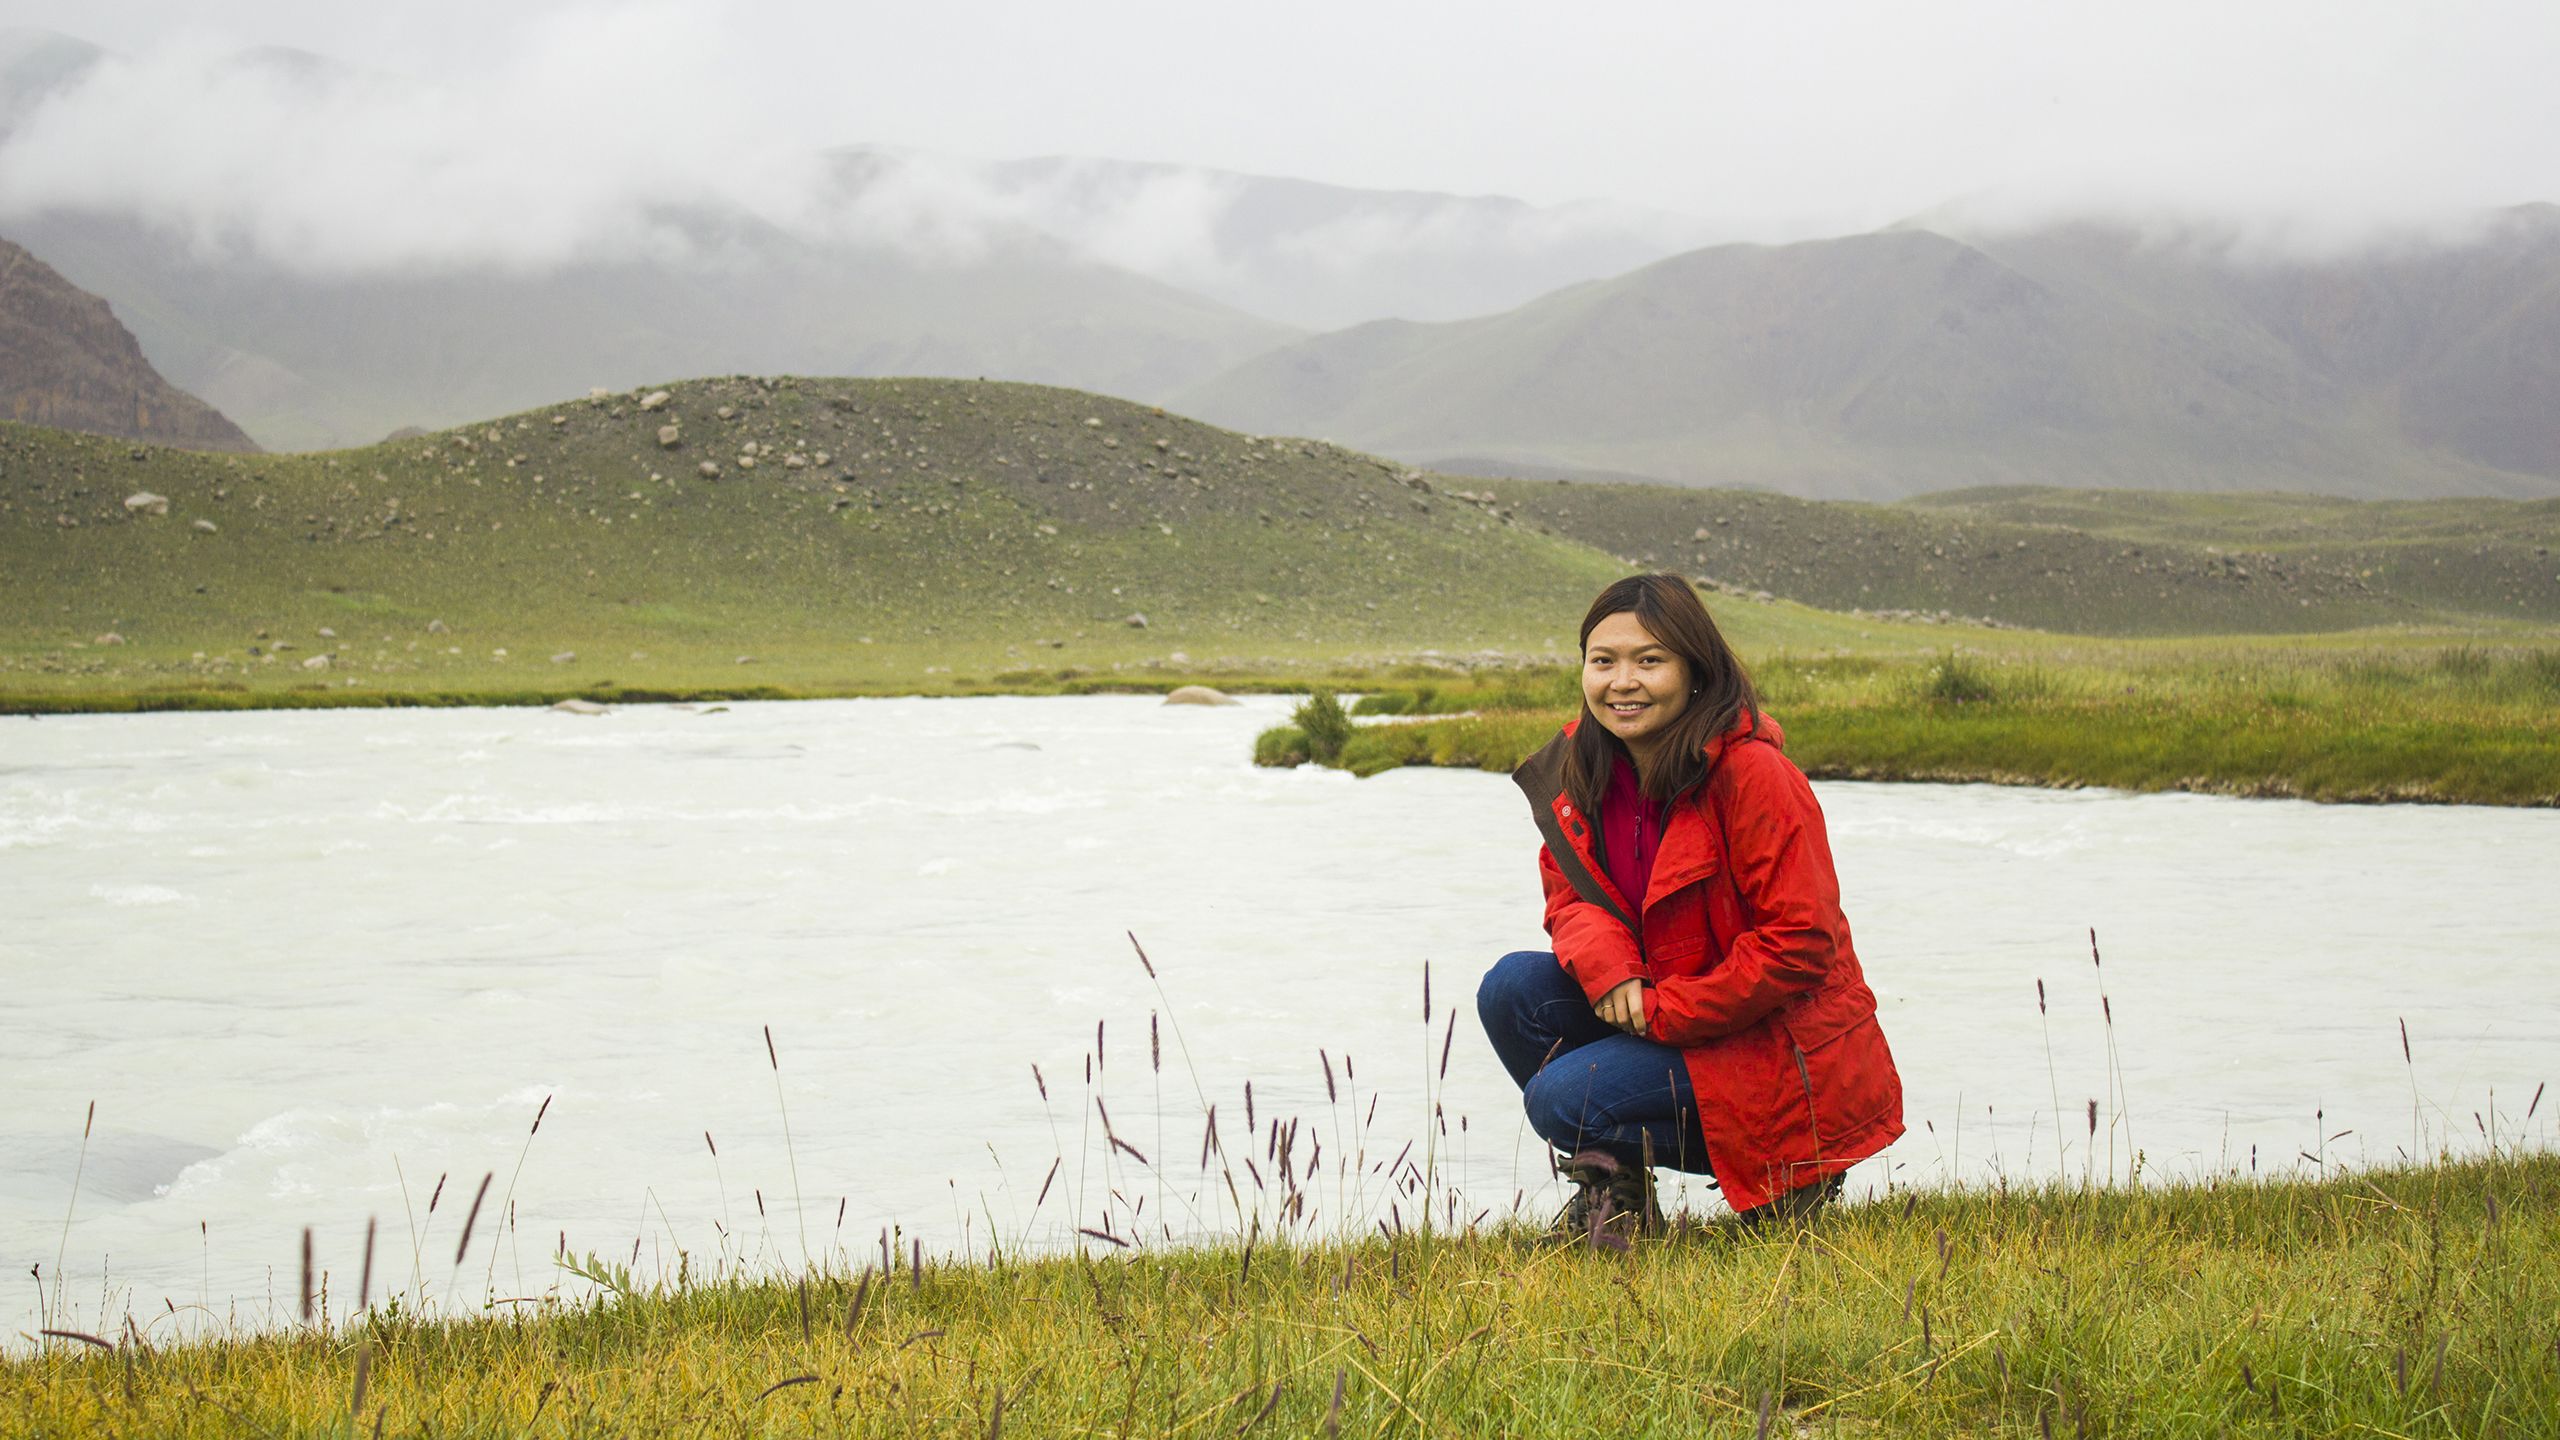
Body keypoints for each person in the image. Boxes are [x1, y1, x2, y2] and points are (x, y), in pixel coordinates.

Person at [1477, 573, 1903, 1243]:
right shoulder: (1578, 768)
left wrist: (1666, 1011)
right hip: (1668, 1011)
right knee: (1512, 989)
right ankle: (1615, 1197)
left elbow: (1799, 943)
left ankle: (1794, 1177)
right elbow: (1570, 899)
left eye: (1650, 661)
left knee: (1561, 1097)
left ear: (1695, 669)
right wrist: (1614, 971)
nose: (1623, 681)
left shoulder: (1756, 776)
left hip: (1771, 1046)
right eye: (1603, 661)